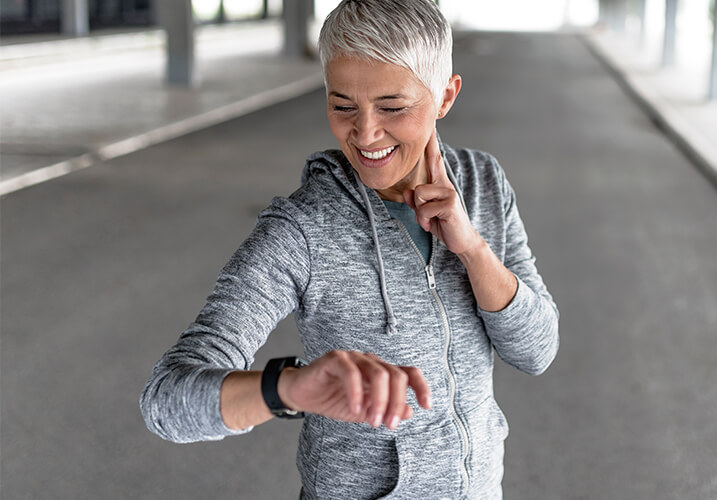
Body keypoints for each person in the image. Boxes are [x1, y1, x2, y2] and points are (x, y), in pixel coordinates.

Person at [140, 0, 559, 498]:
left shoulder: (484, 181)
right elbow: (165, 401)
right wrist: (287, 389)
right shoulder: (301, 229)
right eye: (343, 106)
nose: (365, 133)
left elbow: (538, 351)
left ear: (445, 96)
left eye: (392, 107)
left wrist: (471, 249)